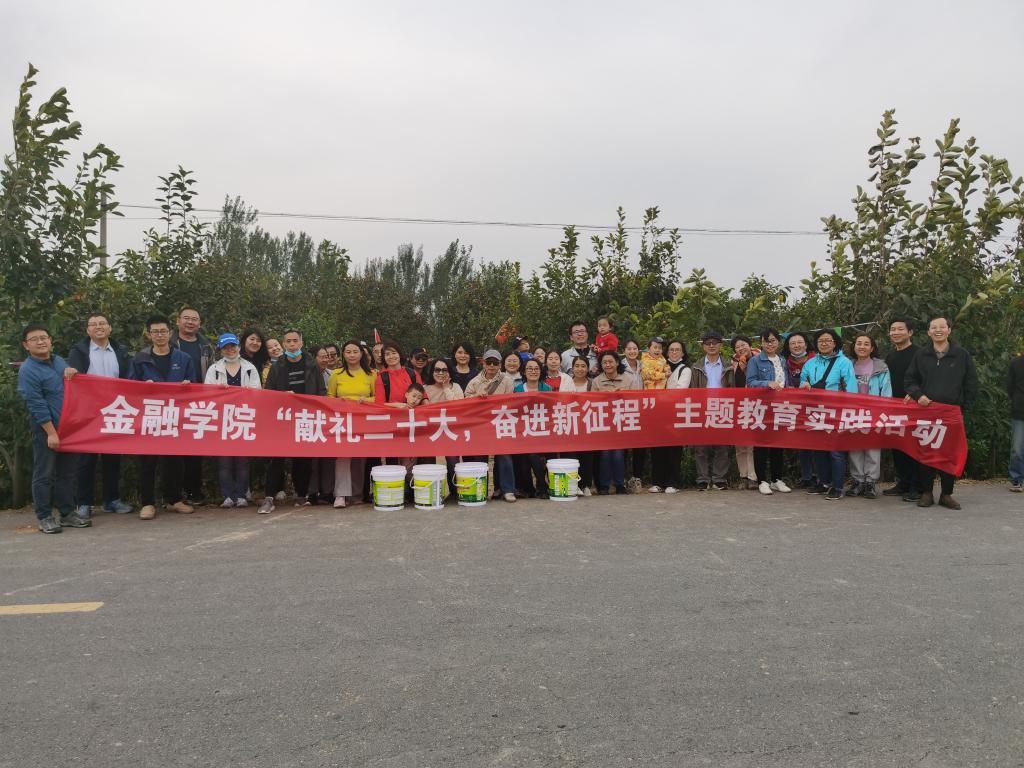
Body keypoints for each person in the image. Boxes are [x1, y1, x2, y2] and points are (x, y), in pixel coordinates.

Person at [17, 323, 86, 533]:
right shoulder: (28, 370)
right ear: (26, 345)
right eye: (34, 339)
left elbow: (70, 387)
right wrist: (51, 433)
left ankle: (67, 513)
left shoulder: (59, 361)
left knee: (67, 473)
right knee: (44, 474)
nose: (40, 342)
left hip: (69, 427)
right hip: (46, 429)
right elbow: (36, 404)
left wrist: (72, 372)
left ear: (50, 340)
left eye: (43, 337)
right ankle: (45, 517)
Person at [904, 317, 978, 509]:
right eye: (934, 327)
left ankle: (946, 494)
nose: (938, 330)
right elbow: (910, 380)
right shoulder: (921, 355)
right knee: (925, 452)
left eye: (942, 327)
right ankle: (926, 493)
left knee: (949, 453)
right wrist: (918, 395)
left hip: (951, 414)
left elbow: (971, 383)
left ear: (949, 330)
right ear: (928, 332)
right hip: (925, 412)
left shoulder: (961, 355)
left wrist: (964, 409)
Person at [67, 313, 134, 517]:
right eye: (93, 324)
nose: (98, 327)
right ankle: (84, 503)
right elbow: (73, 377)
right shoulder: (79, 351)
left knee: (112, 458)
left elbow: (129, 379)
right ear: (88, 330)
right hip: (88, 413)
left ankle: (111, 500)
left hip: (114, 411)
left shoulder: (121, 351)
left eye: (102, 323)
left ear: (110, 328)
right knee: (86, 459)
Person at [130, 315, 196, 520]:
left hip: (175, 416)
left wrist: (188, 386)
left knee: (175, 461)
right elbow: (130, 387)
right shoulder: (140, 359)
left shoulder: (183, 358)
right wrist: (143, 387)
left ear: (170, 333)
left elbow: (194, 385)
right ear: (149, 334)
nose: (159, 335)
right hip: (149, 416)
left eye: (163, 331)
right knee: (147, 462)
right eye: (155, 332)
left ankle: (174, 500)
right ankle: (148, 503)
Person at [258, 328, 326, 514]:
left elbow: (321, 391)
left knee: (303, 458)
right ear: (284, 344)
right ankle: (269, 497)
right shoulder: (277, 366)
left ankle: (301, 495)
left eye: (295, 341)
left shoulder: (311, 364)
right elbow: (268, 393)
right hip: (283, 418)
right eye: (288, 341)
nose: (292, 344)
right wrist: (282, 396)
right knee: (277, 458)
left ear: (301, 343)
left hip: (305, 417)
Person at [799, 329, 858, 500]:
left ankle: (837, 486)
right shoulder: (810, 363)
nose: (824, 343)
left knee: (835, 451)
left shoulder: (844, 362)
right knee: (819, 449)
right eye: (820, 341)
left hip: (836, 412)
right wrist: (804, 385)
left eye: (827, 340)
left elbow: (851, 388)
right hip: (815, 411)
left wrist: (849, 410)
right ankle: (824, 482)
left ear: (835, 343)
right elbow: (803, 380)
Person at [205, 333, 261, 508]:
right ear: (220, 350)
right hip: (222, 420)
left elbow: (257, 392)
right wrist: (219, 391)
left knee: (243, 461)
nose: (230, 350)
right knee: (224, 462)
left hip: (243, 418)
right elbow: (207, 394)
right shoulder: (214, 369)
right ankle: (228, 496)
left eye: (233, 346)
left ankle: (242, 495)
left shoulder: (250, 368)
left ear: (238, 347)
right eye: (226, 347)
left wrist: (244, 392)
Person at [171, 306, 214, 506]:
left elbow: (213, 372)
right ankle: (173, 494)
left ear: (200, 323)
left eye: (194, 319)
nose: (190, 322)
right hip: (174, 403)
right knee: (173, 450)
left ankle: (194, 491)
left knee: (195, 448)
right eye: (186, 318)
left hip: (199, 403)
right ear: (178, 321)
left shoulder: (206, 346)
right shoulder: (170, 343)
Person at [327, 340, 376, 508]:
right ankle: (341, 494)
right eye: (348, 352)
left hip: (363, 420)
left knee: (359, 458)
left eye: (355, 351)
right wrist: (339, 402)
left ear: (361, 354)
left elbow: (377, 397)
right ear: (343, 354)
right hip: (342, 420)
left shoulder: (371, 374)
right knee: (342, 457)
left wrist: (366, 400)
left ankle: (356, 494)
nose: (352, 355)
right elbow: (329, 396)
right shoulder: (337, 374)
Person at [744, 328, 792, 496]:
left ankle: (776, 479)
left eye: (772, 340)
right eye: (766, 341)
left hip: (781, 407)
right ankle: (762, 481)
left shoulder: (783, 360)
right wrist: (767, 383)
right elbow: (751, 382)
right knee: (761, 445)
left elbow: (787, 382)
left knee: (778, 445)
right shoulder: (755, 361)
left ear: (778, 342)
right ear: (761, 343)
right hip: (763, 407)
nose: (769, 344)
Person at [464, 349, 517, 502]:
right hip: (480, 425)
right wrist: (476, 396)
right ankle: (481, 489)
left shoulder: (507, 381)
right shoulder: (474, 382)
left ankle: (507, 489)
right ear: (483, 363)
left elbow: (510, 402)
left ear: (500, 364)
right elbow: (464, 402)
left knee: (504, 456)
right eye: (489, 362)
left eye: (495, 363)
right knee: (480, 457)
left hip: (500, 423)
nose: (492, 366)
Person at [845, 333, 891, 499]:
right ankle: (858, 481)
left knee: (872, 447)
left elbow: (886, 391)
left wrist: (883, 411)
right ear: (854, 346)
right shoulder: (847, 364)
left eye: (866, 344)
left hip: (874, 412)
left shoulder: (881, 366)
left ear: (872, 348)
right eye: (859, 343)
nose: (862, 347)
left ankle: (870, 482)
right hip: (852, 413)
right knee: (855, 447)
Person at [690, 331, 734, 491]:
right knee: (701, 447)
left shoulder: (729, 365)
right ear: (703, 346)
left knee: (722, 446)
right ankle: (702, 479)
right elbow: (692, 389)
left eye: (714, 343)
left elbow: (733, 388)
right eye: (708, 343)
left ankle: (719, 479)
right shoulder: (696, 366)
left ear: (720, 345)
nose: (711, 346)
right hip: (702, 407)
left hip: (723, 407)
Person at [883, 318, 921, 501]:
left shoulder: (920, 354)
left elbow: (927, 377)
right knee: (898, 446)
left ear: (910, 332)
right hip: (893, 408)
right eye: (893, 329)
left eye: (900, 329)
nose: (895, 332)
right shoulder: (890, 357)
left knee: (914, 446)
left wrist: (916, 393)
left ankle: (917, 486)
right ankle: (903, 483)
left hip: (914, 407)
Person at [641, 337, 678, 493]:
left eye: (659, 348)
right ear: (648, 348)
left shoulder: (663, 359)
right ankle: (657, 481)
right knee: (655, 443)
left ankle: (669, 481)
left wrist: (666, 371)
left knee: (667, 441)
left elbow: (667, 369)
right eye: (654, 347)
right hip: (650, 403)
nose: (657, 350)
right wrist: (663, 375)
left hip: (664, 403)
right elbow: (647, 374)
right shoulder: (644, 360)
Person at [423, 357, 465, 494]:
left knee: (453, 462)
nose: (440, 373)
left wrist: (446, 388)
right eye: (437, 370)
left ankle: (455, 493)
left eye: (444, 370)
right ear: (432, 371)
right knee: (428, 462)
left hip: (450, 430)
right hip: (430, 432)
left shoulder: (456, 387)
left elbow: (459, 406)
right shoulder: (425, 388)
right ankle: (431, 493)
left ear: (450, 372)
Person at [592, 350, 629, 495]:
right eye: (604, 362)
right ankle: (604, 485)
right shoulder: (596, 381)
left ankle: (620, 484)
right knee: (605, 453)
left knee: (618, 453)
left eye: (610, 362)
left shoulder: (627, 380)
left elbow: (636, 400)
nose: (608, 365)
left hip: (622, 422)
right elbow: (592, 402)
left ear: (617, 363)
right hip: (604, 423)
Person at [515, 358, 553, 498]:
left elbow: (552, 411)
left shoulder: (547, 389)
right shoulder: (517, 390)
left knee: (534, 453)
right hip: (524, 432)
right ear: (524, 372)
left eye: (536, 368)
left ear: (541, 371)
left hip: (543, 431)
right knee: (529, 453)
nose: (533, 371)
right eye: (529, 368)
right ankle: (536, 487)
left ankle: (541, 486)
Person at [784, 331, 818, 489]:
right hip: (796, 407)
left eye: (800, 342)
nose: (796, 346)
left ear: (806, 344)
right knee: (802, 443)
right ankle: (806, 476)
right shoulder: (786, 362)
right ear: (788, 346)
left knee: (817, 442)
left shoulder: (816, 359)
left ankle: (820, 476)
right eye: (793, 343)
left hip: (817, 406)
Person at [730, 335, 758, 490]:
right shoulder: (733, 363)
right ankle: (743, 476)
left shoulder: (759, 358)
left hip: (756, 405)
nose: (741, 348)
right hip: (738, 406)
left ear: (750, 345)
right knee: (740, 444)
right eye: (737, 347)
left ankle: (753, 477)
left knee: (752, 443)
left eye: (743, 345)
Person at [569, 356, 596, 496]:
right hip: (570, 424)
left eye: (583, 366)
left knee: (587, 454)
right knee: (572, 454)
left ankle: (586, 484)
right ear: (572, 368)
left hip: (588, 424)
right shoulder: (567, 382)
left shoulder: (592, 383)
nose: (580, 369)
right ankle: (574, 484)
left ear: (588, 368)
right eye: (577, 366)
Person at [1009, 353, 1024, 492]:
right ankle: (1017, 480)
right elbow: (1010, 386)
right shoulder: (1016, 363)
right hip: (1020, 411)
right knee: (1017, 449)